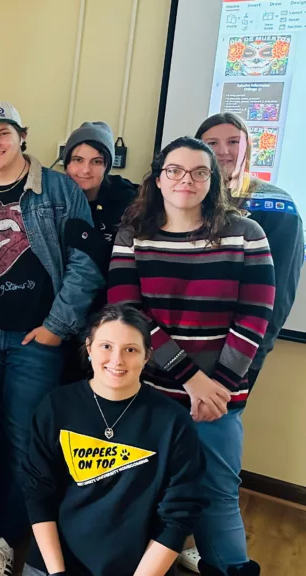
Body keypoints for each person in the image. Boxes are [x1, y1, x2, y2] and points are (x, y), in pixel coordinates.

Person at [0, 101, 103, 576]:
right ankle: (1, 516)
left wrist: (57, 327)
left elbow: (86, 264)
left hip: (36, 341)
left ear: (22, 135)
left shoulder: (58, 188)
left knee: (23, 438)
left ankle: (4, 537)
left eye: (3, 134)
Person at [108, 137, 275, 576]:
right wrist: (189, 378)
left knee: (217, 497)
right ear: (158, 179)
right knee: (144, 495)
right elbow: (128, 315)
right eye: (175, 170)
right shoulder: (133, 235)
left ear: (213, 180)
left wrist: (216, 388)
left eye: (200, 172)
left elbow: (255, 316)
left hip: (218, 400)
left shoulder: (246, 234)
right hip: (149, 394)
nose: (187, 180)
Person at [179, 113, 304, 575]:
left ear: (250, 147)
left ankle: (220, 559)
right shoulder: (184, 199)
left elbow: (274, 301)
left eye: (233, 141)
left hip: (228, 368)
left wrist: (232, 375)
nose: (223, 151)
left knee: (214, 476)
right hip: (171, 365)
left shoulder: (275, 206)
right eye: (212, 142)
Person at [23, 304, 207, 576]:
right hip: (55, 564)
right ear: (89, 348)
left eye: (130, 349)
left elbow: (178, 517)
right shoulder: (55, 407)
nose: (117, 360)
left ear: (147, 356)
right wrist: (57, 574)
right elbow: (38, 493)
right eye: (106, 346)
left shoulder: (174, 423)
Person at [59, 121, 138, 383]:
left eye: (96, 161)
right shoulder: (53, 197)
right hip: (60, 311)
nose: (85, 170)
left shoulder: (129, 202)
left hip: (109, 315)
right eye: (77, 160)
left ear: (107, 165)